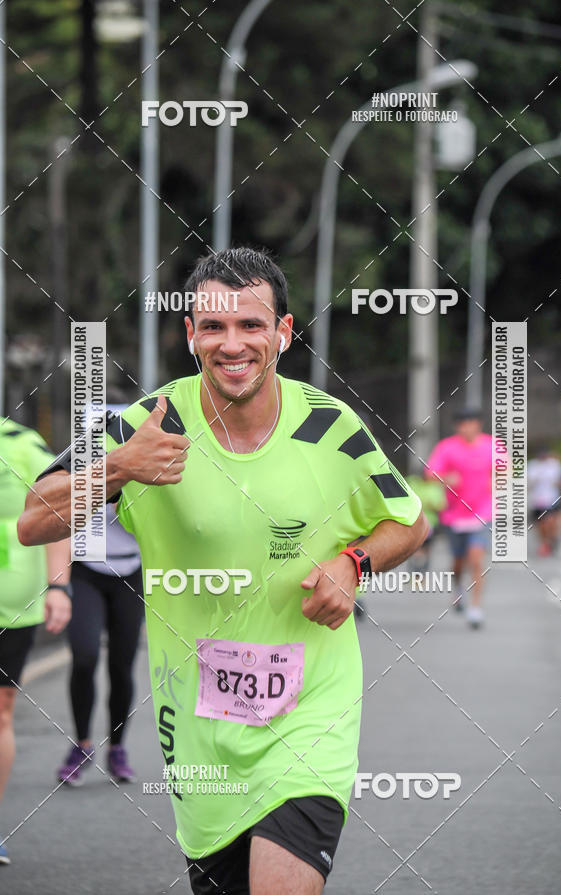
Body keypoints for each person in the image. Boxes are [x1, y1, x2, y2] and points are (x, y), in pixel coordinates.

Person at [18, 247, 428, 895]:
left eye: (251, 324)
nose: (232, 343)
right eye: (213, 326)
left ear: (283, 333)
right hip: (199, 725)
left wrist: (354, 562)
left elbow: (408, 521)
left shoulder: (331, 426)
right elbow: (33, 520)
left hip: (310, 713)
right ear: (190, 336)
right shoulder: (147, 423)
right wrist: (119, 469)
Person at [0, 418, 71, 865]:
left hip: (11, 606)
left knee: (0, 712)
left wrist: (59, 587)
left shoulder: (21, 443)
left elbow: (58, 510)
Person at [56, 438, 145, 785]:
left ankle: (117, 748)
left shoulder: (143, 462)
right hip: (86, 570)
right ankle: (82, 745)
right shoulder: (77, 460)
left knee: (121, 666)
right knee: (85, 656)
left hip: (132, 573)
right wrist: (58, 586)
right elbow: (56, 518)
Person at [426, 407, 493, 629]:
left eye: (471, 422)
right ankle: (457, 589)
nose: (467, 427)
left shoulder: (491, 445)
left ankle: (475, 609)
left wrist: (499, 479)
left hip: (483, 512)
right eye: (462, 424)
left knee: (475, 558)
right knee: (458, 561)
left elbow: (507, 468)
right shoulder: (447, 447)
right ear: (457, 427)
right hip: (454, 515)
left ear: (479, 424)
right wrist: (446, 478)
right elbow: (430, 474)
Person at [527, 448, 561, 556]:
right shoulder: (532, 466)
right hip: (536, 501)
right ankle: (545, 542)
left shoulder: (554, 464)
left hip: (551, 499)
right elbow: (527, 482)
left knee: (550, 521)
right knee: (540, 525)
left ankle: (552, 539)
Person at [404, 472, 446, 573]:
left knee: (425, 549)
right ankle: (414, 572)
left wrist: (430, 505)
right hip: (414, 523)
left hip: (429, 524)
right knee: (415, 549)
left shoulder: (435, 487)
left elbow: (441, 505)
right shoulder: (412, 483)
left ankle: (422, 572)